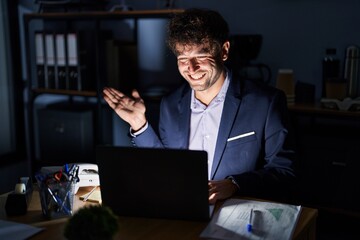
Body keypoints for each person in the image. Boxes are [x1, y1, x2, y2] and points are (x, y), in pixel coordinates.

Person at [103, 8, 296, 205]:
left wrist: (234, 184)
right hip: (184, 213)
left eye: (201, 56)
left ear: (224, 51)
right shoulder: (170, 104)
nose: (192, 69)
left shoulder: (266, 102)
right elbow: (166, 166)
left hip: (239, 216)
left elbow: (284, 172)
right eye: (183, 59)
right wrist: (139, 124)